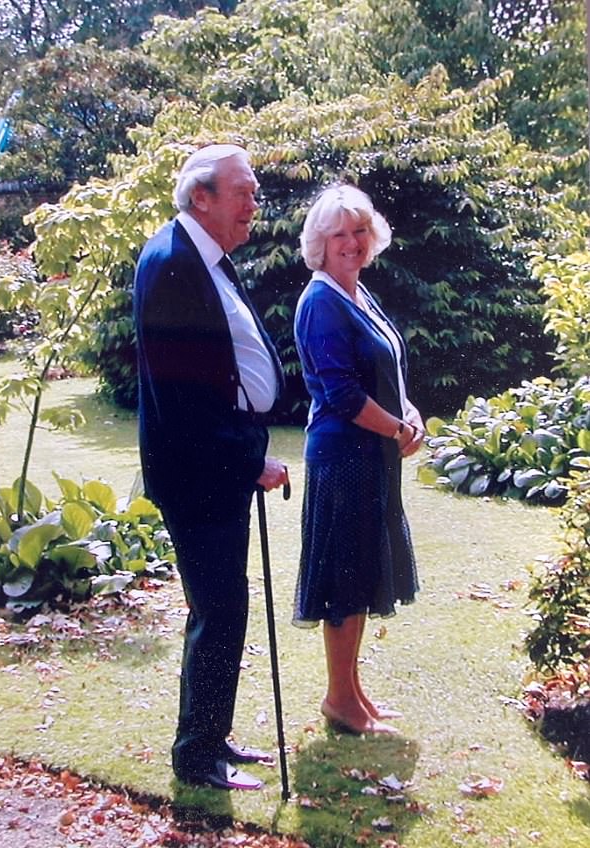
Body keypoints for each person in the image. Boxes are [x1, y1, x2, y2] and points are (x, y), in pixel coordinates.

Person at [134, 144, 288, 790]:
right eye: (244, 191)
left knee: (225, 609)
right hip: (201, 471)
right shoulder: (172, 263)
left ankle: (213, 737)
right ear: (202, 197)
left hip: (217, 463)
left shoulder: (206, 258)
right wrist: (249, 458)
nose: (255, 203)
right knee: (218, 610)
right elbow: (183, 398)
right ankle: (197, 757)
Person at [293, 184, 424, 735]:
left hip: (373, 458)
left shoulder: (356, 292)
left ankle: (353, 693)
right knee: (345, 578)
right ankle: (340, 700)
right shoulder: (321, 301)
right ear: (319, 243)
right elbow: (343, 396)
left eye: (360, 231)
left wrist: (411, 413)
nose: (351, 242)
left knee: (363, 570)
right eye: (339, 233)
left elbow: (387, 371)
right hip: (344, 459)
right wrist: (398, 428)